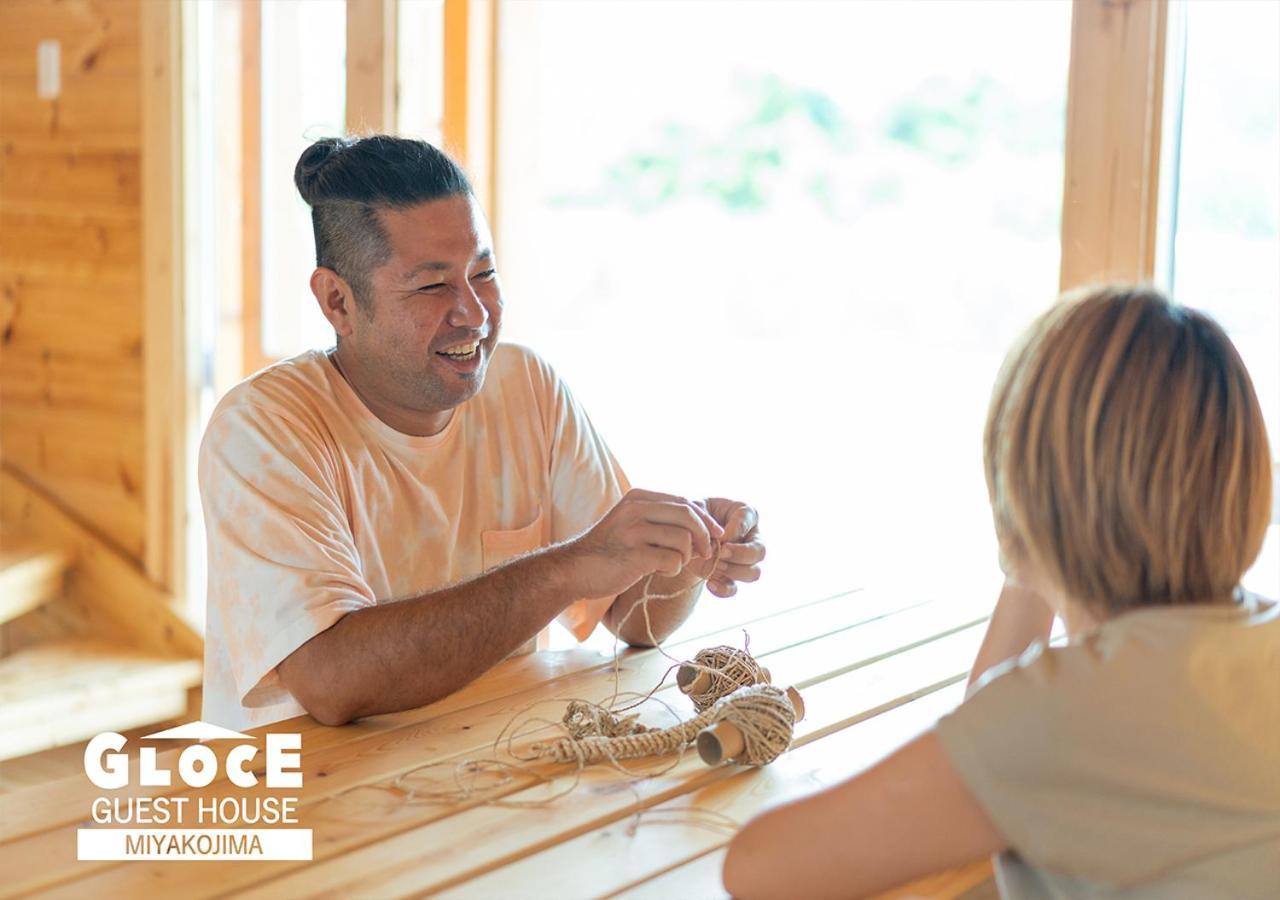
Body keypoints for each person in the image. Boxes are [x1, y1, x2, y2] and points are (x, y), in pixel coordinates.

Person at [723, 286, 1277, 899]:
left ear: (1020, 492)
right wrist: (1035, 551)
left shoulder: (1071, 714)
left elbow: (758, 867)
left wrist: (1026, 543)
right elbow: (994, 718)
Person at [199, 135, 766, 731]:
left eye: (484, 272)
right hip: (311, 799)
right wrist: (568, 566)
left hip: (495, 772)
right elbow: (332, 681)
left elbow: (636, 618)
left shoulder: (527, 386)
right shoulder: (263, 429)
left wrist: (685, 551)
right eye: (432, 285)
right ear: (337, 301)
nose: (473, 311)